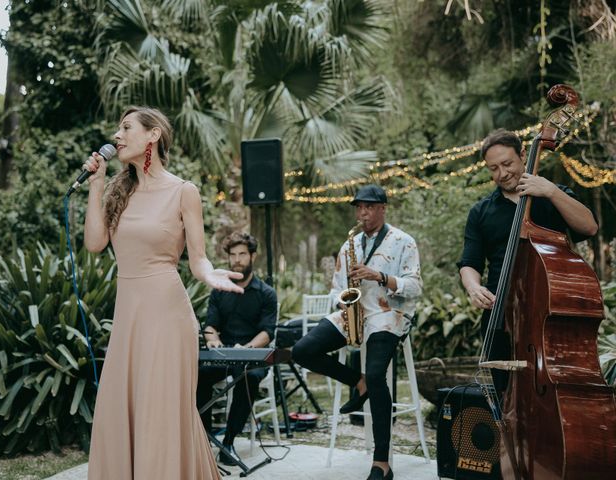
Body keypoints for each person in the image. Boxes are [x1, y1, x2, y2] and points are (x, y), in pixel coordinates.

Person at [84, 106, 243, 480]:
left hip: (167, 314)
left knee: (162, 411)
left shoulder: (183, 191)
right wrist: (95, 184)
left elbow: (198, 259)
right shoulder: (117, 191)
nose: (117, 136)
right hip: (129, 315)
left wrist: (209, 276)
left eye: (126, 128)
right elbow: (94, 243)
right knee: (119, 408)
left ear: (152, 135)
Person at [292, 184, 422, 480]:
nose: (362, 213)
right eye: (359, 207)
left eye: (368, 207)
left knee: (378, 374)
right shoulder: (349, 244)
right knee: (302, 350)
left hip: (389, 314)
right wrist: (343, 303)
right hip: (355, 313)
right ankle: (357, 381)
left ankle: (382, 463)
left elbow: (415, 287)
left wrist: (379, 276)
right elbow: (337, 289)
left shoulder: (404, 241)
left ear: (382, 208)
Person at [458, 128, 598, 391]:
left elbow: (589, 227)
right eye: (493, 168)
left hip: (551, 315)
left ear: (523, 154)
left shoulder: (553, 195)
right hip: (501, 318)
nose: (502, 174)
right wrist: (473, 287)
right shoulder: (480, 212)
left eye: (507, 164)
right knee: (505, 397)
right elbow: (469, 263)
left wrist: (552, 191)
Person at [196, 232, 277, 466]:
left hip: (252, 357)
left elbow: (267, 332)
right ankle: (204, 437)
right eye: (233, 255)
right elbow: (211, 325)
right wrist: (212, 340)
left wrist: (248, 348)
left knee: (248, 378)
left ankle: (229, 442)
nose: (237, 260)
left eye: (242, 254)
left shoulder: (266, 293)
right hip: (223, 355)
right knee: (198, 375)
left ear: (253, 256)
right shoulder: (219, 291)